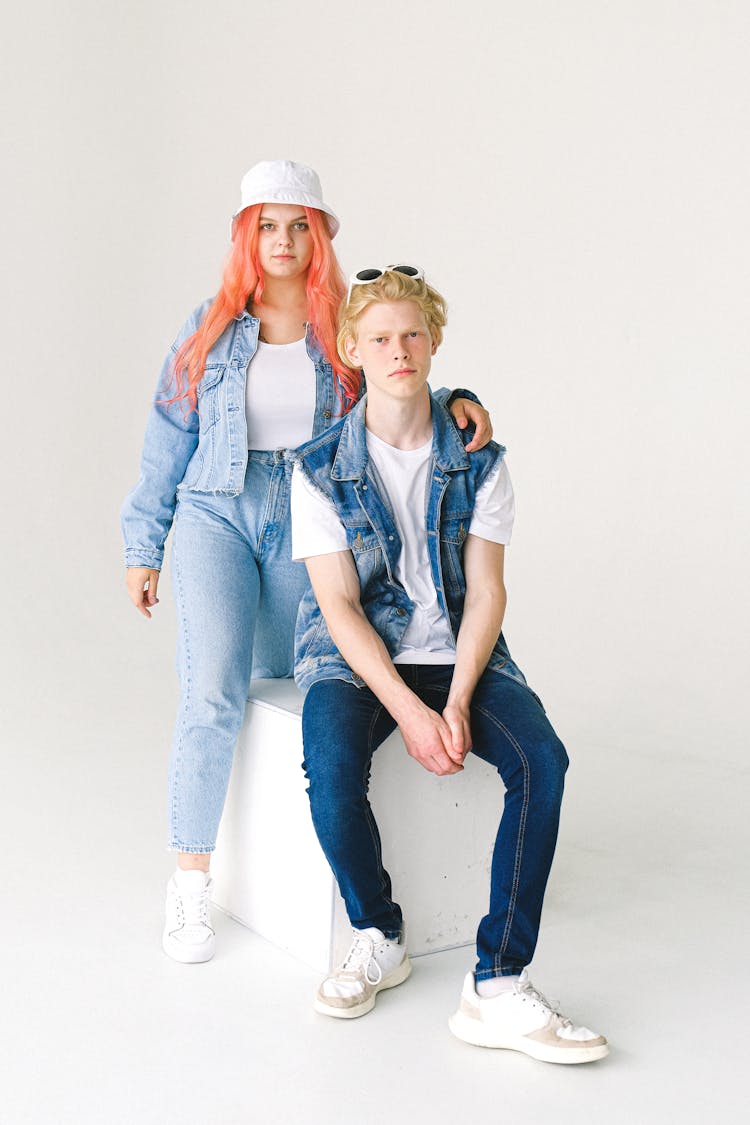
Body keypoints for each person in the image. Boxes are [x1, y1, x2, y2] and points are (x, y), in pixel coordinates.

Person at [120, 161, 493, 965]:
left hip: (308, 513)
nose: (282, 240)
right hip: (217, 507)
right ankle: (190, 883)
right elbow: (164, 443)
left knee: (295, 684)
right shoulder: (210, 327)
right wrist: (143, 544)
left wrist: (457, 397)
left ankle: (295, 868)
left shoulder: (342, 330)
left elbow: (401, 376)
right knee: (213, 690)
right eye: (266, 225)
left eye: (298, 225)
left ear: (319, 236)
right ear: (245, 236)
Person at [290, 267, 608, 1064]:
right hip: (354, 658)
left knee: (543, 761)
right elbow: (339, 608)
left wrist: (460, 696)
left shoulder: (482, 457)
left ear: (433, 342)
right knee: (329, 766)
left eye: (411, 335)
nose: (397, 350)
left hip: (462, 652)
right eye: (380, 338)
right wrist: (407, 707)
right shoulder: (318, 467)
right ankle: (378, 931)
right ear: (351, 350)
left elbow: (488, 590)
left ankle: (497, 981)